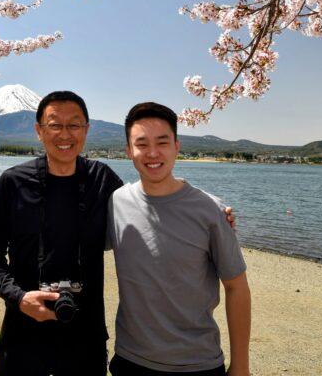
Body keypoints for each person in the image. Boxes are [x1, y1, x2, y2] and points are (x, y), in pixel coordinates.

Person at [0, 91, 237, 376]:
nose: (65, 134)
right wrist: (18, 297)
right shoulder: (13, 182)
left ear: (86, 130)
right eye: (55, 125)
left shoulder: (101, 180)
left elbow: (151, 197)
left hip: (85, 340)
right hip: (23, 333)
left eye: (74, 125)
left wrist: (212, 210)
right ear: (39, 131)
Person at [107, 102, 250, 376]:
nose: (152, 153)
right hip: (130, 360)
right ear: (128, 151)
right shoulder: (117, 202)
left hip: (198, 364)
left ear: (176, 146)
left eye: (162, 142)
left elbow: (237, 287)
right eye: (141, 144)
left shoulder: (210, 210)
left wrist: (241, 366)